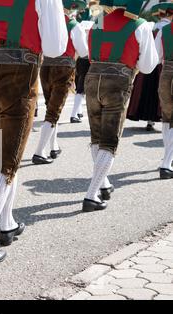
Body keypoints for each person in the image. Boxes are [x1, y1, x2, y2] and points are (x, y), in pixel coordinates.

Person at [0, 0, 68, 267]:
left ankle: (7, 222)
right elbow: (56, 47)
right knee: (7, 163)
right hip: (20, 75)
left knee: (8, 152)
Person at [82, 0, 158, 212]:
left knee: (96, 137)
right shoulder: (140, 24)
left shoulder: (97, 20)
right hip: (118, 81)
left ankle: (103, 183)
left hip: (92, 76)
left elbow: (89, 51)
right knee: (109, 141)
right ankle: (91, 195)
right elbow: (148, 66)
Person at [32, 0, 89, 165]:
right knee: (54, 111)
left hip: (46, 67)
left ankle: (53, 145)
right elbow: (84, 52)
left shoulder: (46, 23)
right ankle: (39, 152)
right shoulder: (74, 25)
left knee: (51, 107)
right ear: (72, 8)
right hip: (64, 69)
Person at [127, 4, 171, 132]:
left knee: (146, 90)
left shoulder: (153, 27)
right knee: (160, 94)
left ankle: (149, 120)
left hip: (150, 62)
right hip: (161, 66)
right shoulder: (165, 28)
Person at [70, 0, 99, 123]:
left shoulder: (86, 14)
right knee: (82, 86)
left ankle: (79, 111)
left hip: (81, 54)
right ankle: (74, 114)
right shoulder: (97, 16)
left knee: (81, 84)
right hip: (88, 55)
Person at [155, 2, 173, 180]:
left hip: (166, 72)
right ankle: (166, 163)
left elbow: (157, 55)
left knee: (168, 117)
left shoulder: (164, 31)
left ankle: (167, 158)